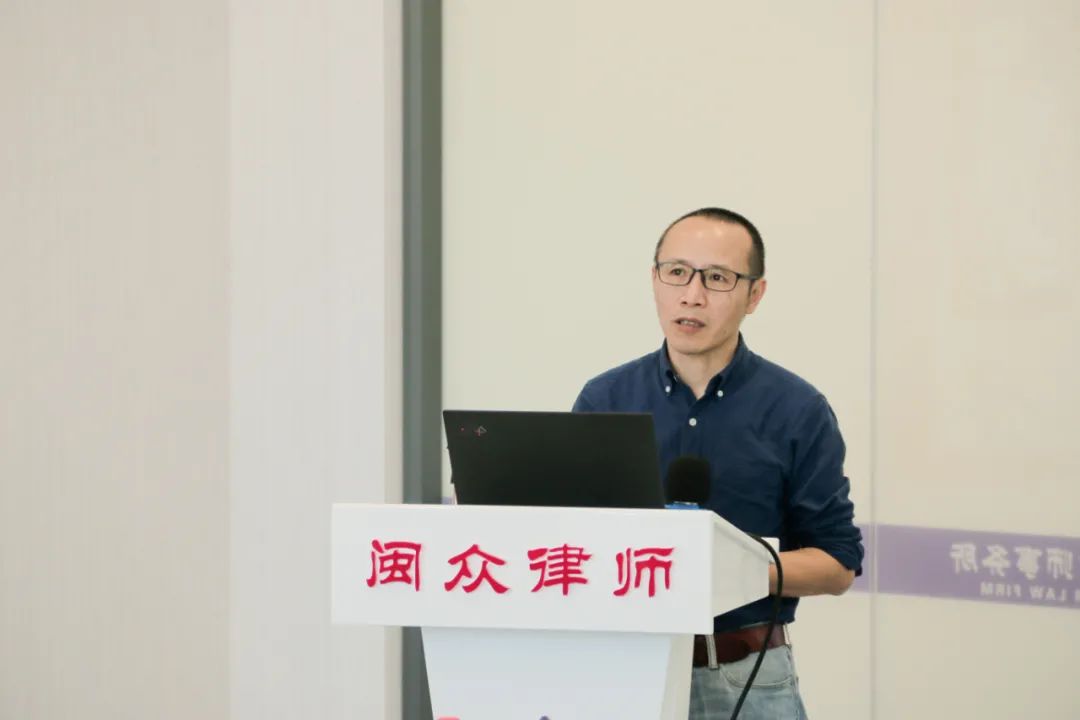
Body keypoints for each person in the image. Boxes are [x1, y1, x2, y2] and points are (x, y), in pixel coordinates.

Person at [572, 207, 863, 719]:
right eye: (677, 272)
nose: (692, 295)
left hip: (746, 677)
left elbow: (837, 564)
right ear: (654, 280)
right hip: (625, 672)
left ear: (755, 295)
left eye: (717, 278)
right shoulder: (606, 399)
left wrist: (732, 570)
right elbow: (572, 537)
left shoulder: (797, 409)